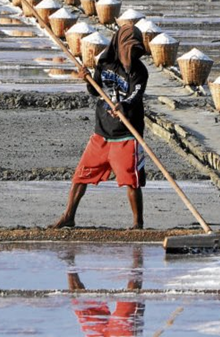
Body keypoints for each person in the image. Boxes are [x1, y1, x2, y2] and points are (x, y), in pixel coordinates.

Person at [51, 24, 149, 229]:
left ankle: (137, 223)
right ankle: (69, 215)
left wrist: (124, 106)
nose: (132, 54)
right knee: (81, 175)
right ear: (119, 45)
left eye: (135, 50)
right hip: (102, 132)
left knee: (131, 180)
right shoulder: (104, 64)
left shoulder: (140, 71)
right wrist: (87, 79)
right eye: (129, 49)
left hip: (127, 133)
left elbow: (136, 94)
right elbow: (96, 91)